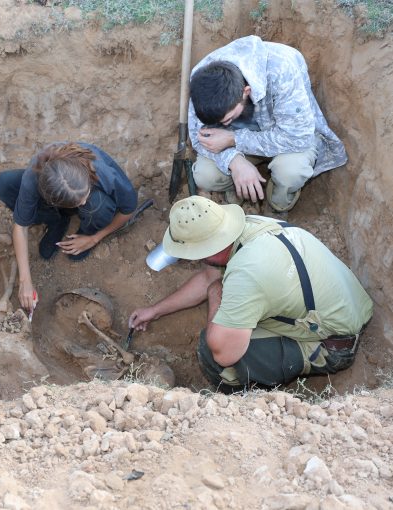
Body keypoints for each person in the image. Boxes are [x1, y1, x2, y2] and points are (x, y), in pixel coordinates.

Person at [130, 196, 372, 393]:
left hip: (334, 344)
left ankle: (243, 406)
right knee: (231, 312)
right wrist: (155, 310)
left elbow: (224, 353)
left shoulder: (247, 276)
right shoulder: (249, 226)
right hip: (346, 306)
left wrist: (216, 293)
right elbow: (208, 277)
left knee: (212, 350)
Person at [188, 35, 347, 212]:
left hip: (288, 138)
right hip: (239, 142)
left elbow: (296, 137)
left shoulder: (282, 70)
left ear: (245, 92)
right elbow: (198, 136)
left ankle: (278, 205)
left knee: (290, 172)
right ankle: (237, 187)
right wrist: (234, 161)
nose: (222, 124)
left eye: (227, 119)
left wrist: (234, 139)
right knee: (205, 175)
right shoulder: (201, 79)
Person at [0, 142, 138, 312]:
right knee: (4, 184)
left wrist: (93, 239)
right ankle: (56, 220)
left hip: (96, 201)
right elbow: (20, 227)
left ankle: (86, 230)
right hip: (54, 198)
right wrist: (25, 281)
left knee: (96, 205)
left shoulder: (103, 171)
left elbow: (128, 210)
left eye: (83, 196)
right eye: (78, 202)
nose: (83, 202)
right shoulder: (35, 175)